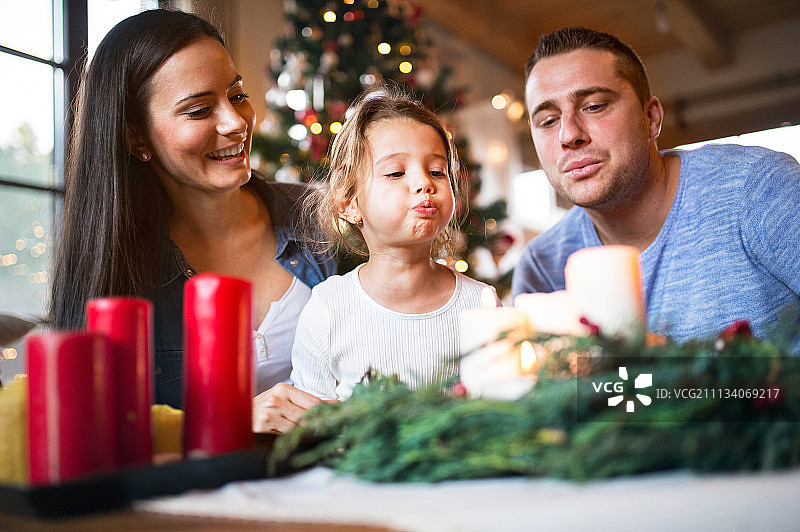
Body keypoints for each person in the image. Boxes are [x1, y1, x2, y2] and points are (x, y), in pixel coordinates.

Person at [50, 9, 336, 434]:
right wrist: (228, 424)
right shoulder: (114, 267)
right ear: (135, 136)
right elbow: (91, 435)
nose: (236, 122)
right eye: (200, 110)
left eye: (237, 95)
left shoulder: (320, 221)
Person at [511, 27, 800, 348]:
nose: (569, 135)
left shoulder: (758, 188)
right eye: (548, 121)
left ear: (651, 118)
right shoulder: (542, 266)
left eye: (593, 106)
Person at [290, 87, 497, 400]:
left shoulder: (481, 304)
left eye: (437, 171)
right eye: (396, 172)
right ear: (349, 203)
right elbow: (308, 420)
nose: (424, 183)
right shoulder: (328, 310)